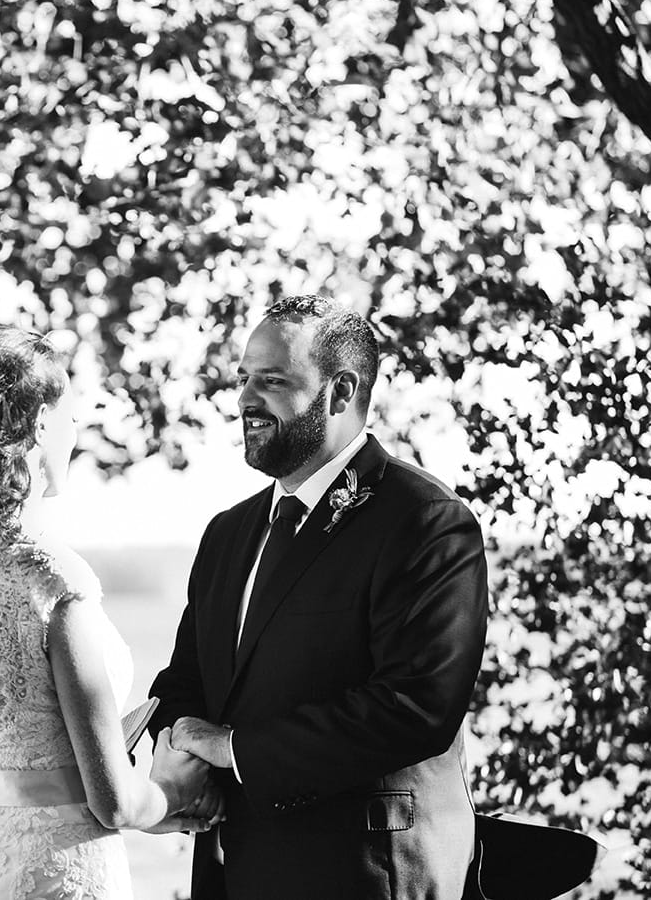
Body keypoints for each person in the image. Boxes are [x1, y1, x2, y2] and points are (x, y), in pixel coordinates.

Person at [149, 295, 489, 899]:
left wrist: (234, 750)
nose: (247, 399)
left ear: (340, 391)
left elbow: (416, 709)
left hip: (363, 874)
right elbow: (185, 682)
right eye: (244, 379)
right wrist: (176, 748)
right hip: (232, 874)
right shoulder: (228, 532)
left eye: (272, 381)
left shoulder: (425, 522)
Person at [0, 326, 220, 900]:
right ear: (38, 423)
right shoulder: (50, 579)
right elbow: (114, 803)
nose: (74, 432)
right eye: (70, 417)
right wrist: (172, 793)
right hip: (58, 878)